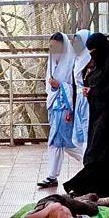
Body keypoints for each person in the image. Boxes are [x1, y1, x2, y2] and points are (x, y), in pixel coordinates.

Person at [64, 33, 109, 198]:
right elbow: (96, 86)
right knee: (102, 153)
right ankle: (106, 188)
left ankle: (80, 186)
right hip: (100, 117)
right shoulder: (99, 67)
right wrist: (91, 92)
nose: (92, 55)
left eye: (94, 51)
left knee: (98, 153)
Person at [37, 32, 84, 188]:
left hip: (66, 107)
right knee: (57, 142)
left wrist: (60, 85)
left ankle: (91, 161)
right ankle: (52, 175)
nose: (52, 50)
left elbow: (75, 87)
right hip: (55, 107)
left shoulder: (71, 63)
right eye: (50, 47)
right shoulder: (51, 63)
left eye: (55, 47)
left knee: (65, 142)